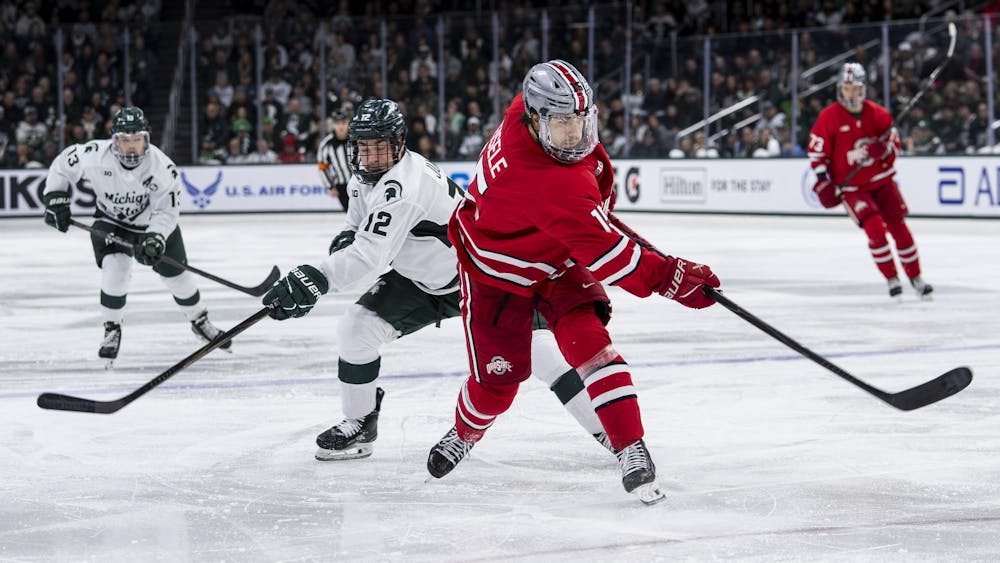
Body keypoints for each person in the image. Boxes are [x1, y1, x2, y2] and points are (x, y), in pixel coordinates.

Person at [425, 59, 721, 504]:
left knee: (590, 341)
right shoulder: (544, 180)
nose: (574, 134)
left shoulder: (524, 110)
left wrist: (654, 259)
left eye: (580, 120)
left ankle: (630, 445)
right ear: (535, 118)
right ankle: (465, 432)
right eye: (562, 124)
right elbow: (613, 258)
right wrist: (672, 278)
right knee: (497, 385)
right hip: (496, 272)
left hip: (554, 255)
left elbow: (592, 221)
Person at [262, 98, 610, 462]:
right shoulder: (361, 181)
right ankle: (360, 422)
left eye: (380, 146)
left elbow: (368, 258)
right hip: (422, 281)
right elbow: (356, 229)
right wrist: (342, 243)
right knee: (356, 329)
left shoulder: (403, 185)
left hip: (481, 275)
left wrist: (316, 278)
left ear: (399, 144)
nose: (372, 156)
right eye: (364, 147)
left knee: (542, 354)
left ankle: (611, 430)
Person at [42, 106, 231, 365]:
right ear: (114, 140)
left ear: (147, 139)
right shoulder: (94, 155)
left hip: (150, 223)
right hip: (111, 220)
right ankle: (112, 328)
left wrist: (156, 237)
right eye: (125, 140)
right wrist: (55, 197)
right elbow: (63, 165)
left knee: (178, 277)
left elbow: (167, 211)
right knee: (115, 268)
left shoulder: (162, 167)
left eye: (137, 139)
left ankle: (199, 320)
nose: (131, 147)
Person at [808, 63, 933, 299]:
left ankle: (916, 278)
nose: (851, 93)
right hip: (853, 188)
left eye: (855, 88)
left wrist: (883, 150)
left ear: (863, 88)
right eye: (846, 88)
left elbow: (894, 147)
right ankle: (892, 278)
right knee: (875, 230)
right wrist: (823, 180)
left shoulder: (879, 114)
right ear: (840, 89)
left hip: (883, 182)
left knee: (900, 230)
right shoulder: (829, 117)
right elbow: (818, 153)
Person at [316, 108, 352, 211]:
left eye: (343, 123)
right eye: (337, 123)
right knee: (350, 215)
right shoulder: (326, 144)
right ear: (333, 124)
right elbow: (322, 167)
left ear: (348, 123)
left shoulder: (356, 138)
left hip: (360, 183)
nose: (341, 126)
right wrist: (331, 186)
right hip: (342, 186)